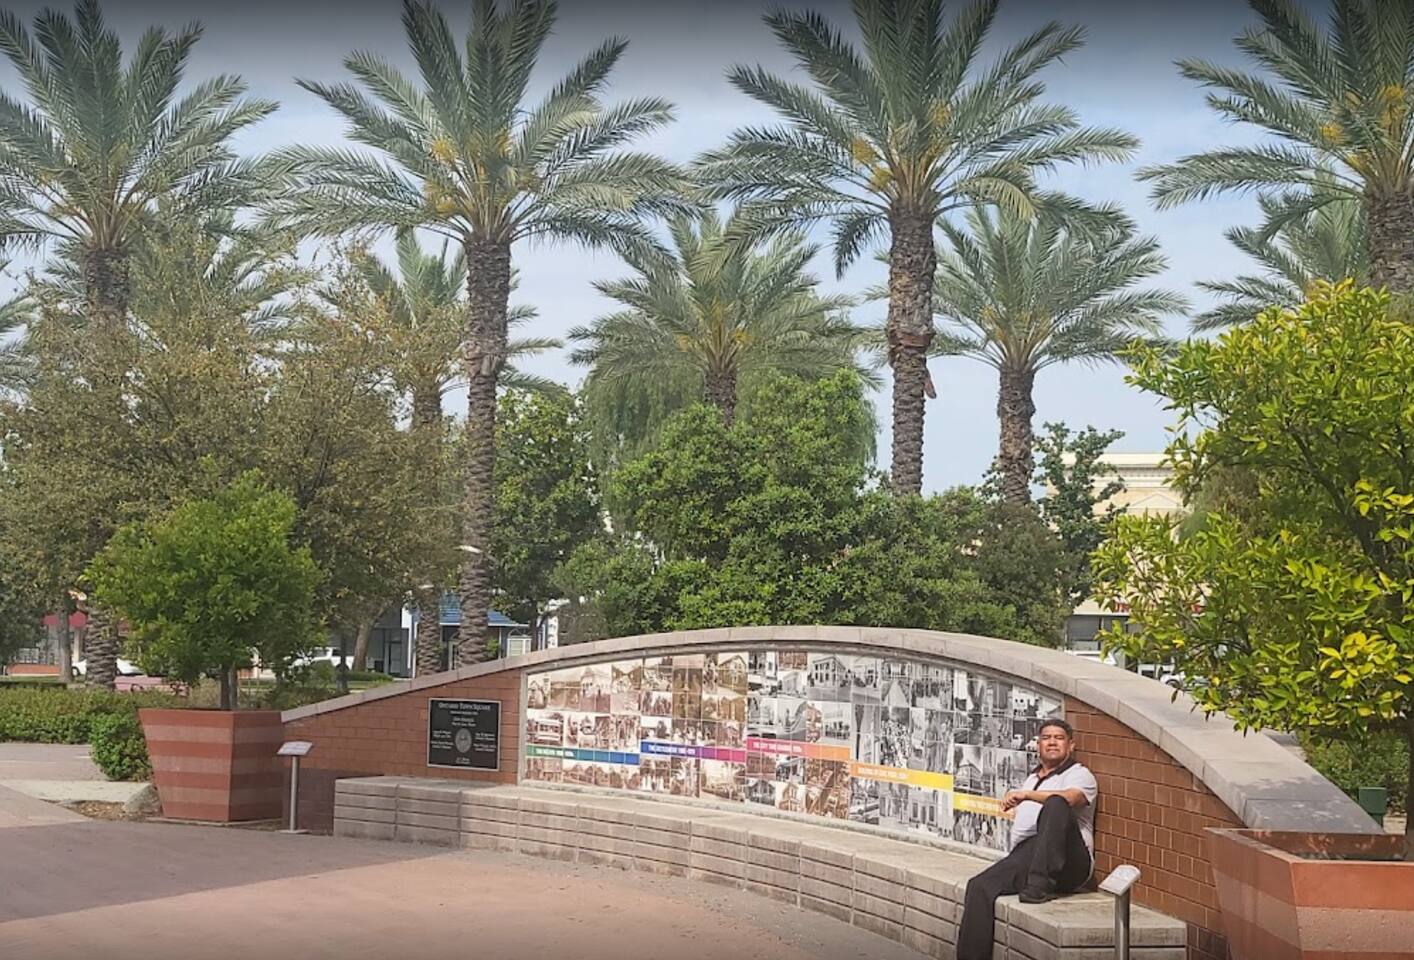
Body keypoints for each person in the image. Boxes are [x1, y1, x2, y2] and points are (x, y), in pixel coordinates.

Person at [956, 718, 1098, 960]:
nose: (1052, 742)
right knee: (979, 887)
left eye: (1059, 738)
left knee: (1056, 803)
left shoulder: (1080, 774)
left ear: (1071, 745)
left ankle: (1038, 886)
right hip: (1029, 854)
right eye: (1046, 738)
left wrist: (1027, 795)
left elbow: (1071, 799)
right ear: (1038, 744)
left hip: (1071, 862)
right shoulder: (1032, 778)